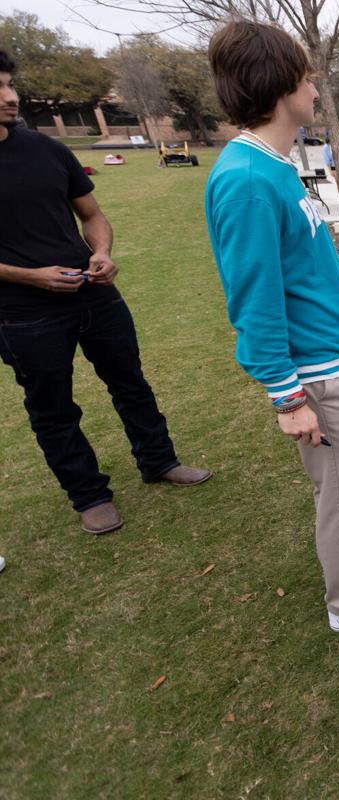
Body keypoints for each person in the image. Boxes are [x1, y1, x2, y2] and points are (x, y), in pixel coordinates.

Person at [205, 21, 339, 639]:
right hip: (316, 375)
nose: (315, 88)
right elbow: (253, 298)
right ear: (278, 86)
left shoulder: (273, 165)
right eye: (306, 78)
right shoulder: (247, 180)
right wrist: (287, 395)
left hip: (335, 359)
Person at [0, 48, 211, 536]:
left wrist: (102, 251)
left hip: (93, 292)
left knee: (130, 382)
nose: (10, 97)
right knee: (53, 407)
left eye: (10, 85)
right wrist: (32, 276)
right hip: (23, 312)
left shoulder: (46, 149)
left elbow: (92, 215)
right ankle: (90, 496)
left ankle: (159, 460)